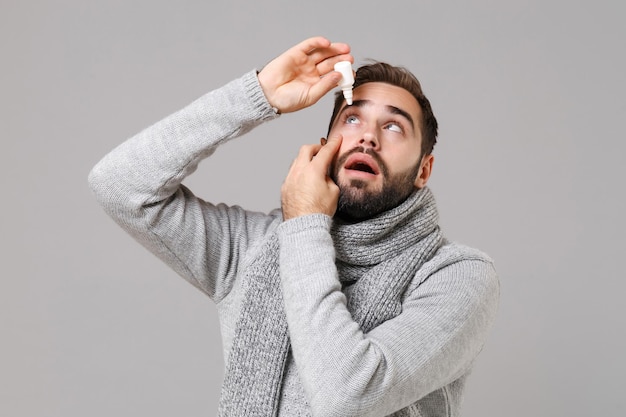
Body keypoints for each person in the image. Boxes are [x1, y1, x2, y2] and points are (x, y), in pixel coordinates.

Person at [89, 36, 499, 417]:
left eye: (393, 126)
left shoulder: (456, 276)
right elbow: (119, 185)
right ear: (324, 145)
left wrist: (305, 222)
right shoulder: (252, 248)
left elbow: (345, 395)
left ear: (424, 170)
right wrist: (257, 96)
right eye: (353, 118)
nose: (368, 138)